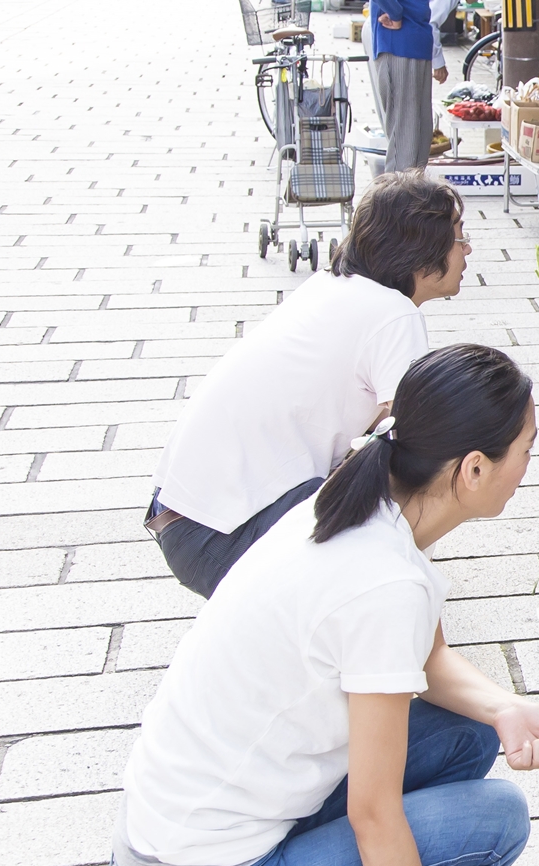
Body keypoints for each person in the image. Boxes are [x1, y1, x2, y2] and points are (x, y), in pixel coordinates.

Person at [115, 344, 539, 866]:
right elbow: (373, 814)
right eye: (525, 449)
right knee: (494, 822)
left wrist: (505, 709)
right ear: (471, 470)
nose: (528, 465)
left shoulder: (358, 499)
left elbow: (423, 665)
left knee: (469, 739)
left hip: (181, 845)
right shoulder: (385, 580)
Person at [147, 174, 469, 598]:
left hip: (187, 518)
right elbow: (414, 443)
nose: (467, 249)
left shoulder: (334, 287)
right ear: (421, 252)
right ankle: (388, 600)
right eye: (458, 236)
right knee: (428, 465)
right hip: (221, 537)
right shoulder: (394, 314)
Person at [371, 0, 448, 173]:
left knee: (412, 139)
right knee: (411, 138)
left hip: (407, 37)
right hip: (407, 37)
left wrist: (396, 13)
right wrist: (395, 13)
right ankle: (403, 197)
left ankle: (405, 197)